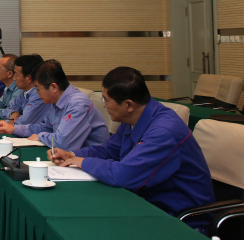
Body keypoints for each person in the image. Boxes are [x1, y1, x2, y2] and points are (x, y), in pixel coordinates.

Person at [49, 67, 215, 232]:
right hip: (146, 202)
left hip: (179, 219)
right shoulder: (134, 119)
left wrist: (83, 162)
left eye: (106, 101)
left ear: (129, 105)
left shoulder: (164, 131)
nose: (104, 106)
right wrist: (72, 155)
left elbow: (123, 175)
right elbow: (109, 151)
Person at [0, 59, 108, 152]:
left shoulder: (78, 104)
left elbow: (62, 143)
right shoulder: (55, 101)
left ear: (53, 87)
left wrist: (40, 136)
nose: (37, 93)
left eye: (37, 89)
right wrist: (14, 129)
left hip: (91, 159)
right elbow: (45, 127)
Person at [0, 54, 51, 125]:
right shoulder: (23, 91)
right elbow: (11, 108)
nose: (14, 78)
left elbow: (24, 122)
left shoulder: (38, 95)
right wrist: (13, 113)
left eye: (16, 74)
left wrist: (9, 121)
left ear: (28, 78)